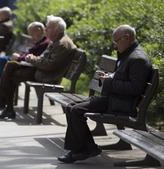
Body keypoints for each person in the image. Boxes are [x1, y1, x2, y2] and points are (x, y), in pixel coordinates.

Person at [57, 25, 152, 163]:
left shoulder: (138, 58)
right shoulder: (129, 54)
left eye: (116, 41)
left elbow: (134, 88)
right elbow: (123, 78)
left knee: (76, 110)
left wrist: (108, 81)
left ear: (127, 38)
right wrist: (110, 76)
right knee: (71, 107)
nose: (114, 46)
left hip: (121, 104)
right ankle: (86, 148)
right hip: (113, 99)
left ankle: (83, 150)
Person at [0, 15, 77, 120]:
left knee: (11, 71)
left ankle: (2, 104)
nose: (45, 29)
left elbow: (49, 65)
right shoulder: (57, 40)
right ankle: (3, 105)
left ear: (56, 29)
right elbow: (44, 59)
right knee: (11, 66)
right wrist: (34, 58)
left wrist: (32, 59)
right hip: (42, 71)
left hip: (47, 76)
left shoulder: (62, 44)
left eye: (48, 27)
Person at [0, 21, 51, 97]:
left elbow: (33, 57)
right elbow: (30, 53)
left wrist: (19, 57)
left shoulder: (44, 43)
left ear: (39, 30)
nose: (31, 36)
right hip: (26, 63)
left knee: (3, 61)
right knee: (4, 60)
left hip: (29, 66)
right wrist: (20, 56)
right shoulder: (40, 41)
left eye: (32, 34)